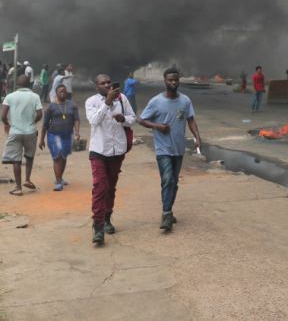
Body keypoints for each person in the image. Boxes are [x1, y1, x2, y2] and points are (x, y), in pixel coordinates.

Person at [140, 68, 202, 231]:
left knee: (173, 183)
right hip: (163, 148)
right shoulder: (156, 101)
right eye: (170, 80)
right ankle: (166, 214)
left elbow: (191, 120)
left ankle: (169, 210)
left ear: (178, 81)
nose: (173, 82)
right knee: (167, 179)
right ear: (165, 82)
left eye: (175, 79)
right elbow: (142, 120)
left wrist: (197, 138)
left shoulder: (185, 100)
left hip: (178, 148)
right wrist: (157, 126)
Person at [86, 74, 136, 244]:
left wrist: (124, 119)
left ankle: (107, 218)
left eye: (109, 82)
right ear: (96, 87)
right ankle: (98, 226)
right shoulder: (91, 102)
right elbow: (94, 120)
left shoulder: (123, 100)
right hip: (99, 150)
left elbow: (133, 119)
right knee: (100, 187)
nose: (107, 85)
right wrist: (107, 102)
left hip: (117, 151)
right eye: (103, 83)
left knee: (111, 187)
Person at [1, 75, 43, 196]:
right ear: (29, 85)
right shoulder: (35, 96)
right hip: (30, 132)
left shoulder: (10, 96)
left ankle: (19, 188)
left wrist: (6, 124)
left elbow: (3, 116)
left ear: (17, 84)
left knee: (16, 160)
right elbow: (39, 114)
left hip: (15, 132)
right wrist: (33, 122)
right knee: (29, 156)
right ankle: (27, 180)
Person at [39, 84, 80, 191]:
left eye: (64, 91)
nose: (62, 93)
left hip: (67, 134)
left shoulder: (72, 104)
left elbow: (76, 119)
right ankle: (58, 182)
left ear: (66, 93)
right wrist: (42, 139)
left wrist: (77, 131)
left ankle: (60, 178)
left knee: (64, 156)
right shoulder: (50, 106)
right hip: (54, 134)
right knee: (58, 156)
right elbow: (45, 124)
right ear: (56, 93)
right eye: (60, 91)